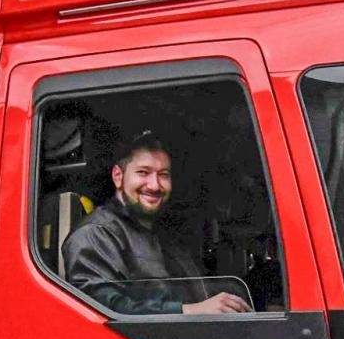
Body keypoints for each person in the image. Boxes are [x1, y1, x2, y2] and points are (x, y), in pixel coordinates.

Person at [62, 132, 252, 315]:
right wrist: (188, 310)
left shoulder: (167, 236)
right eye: (143, 172)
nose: (154, 185)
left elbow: (195, 293)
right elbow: (100, 310)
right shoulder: (96, 234)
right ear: (118, 176)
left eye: (163, 174)